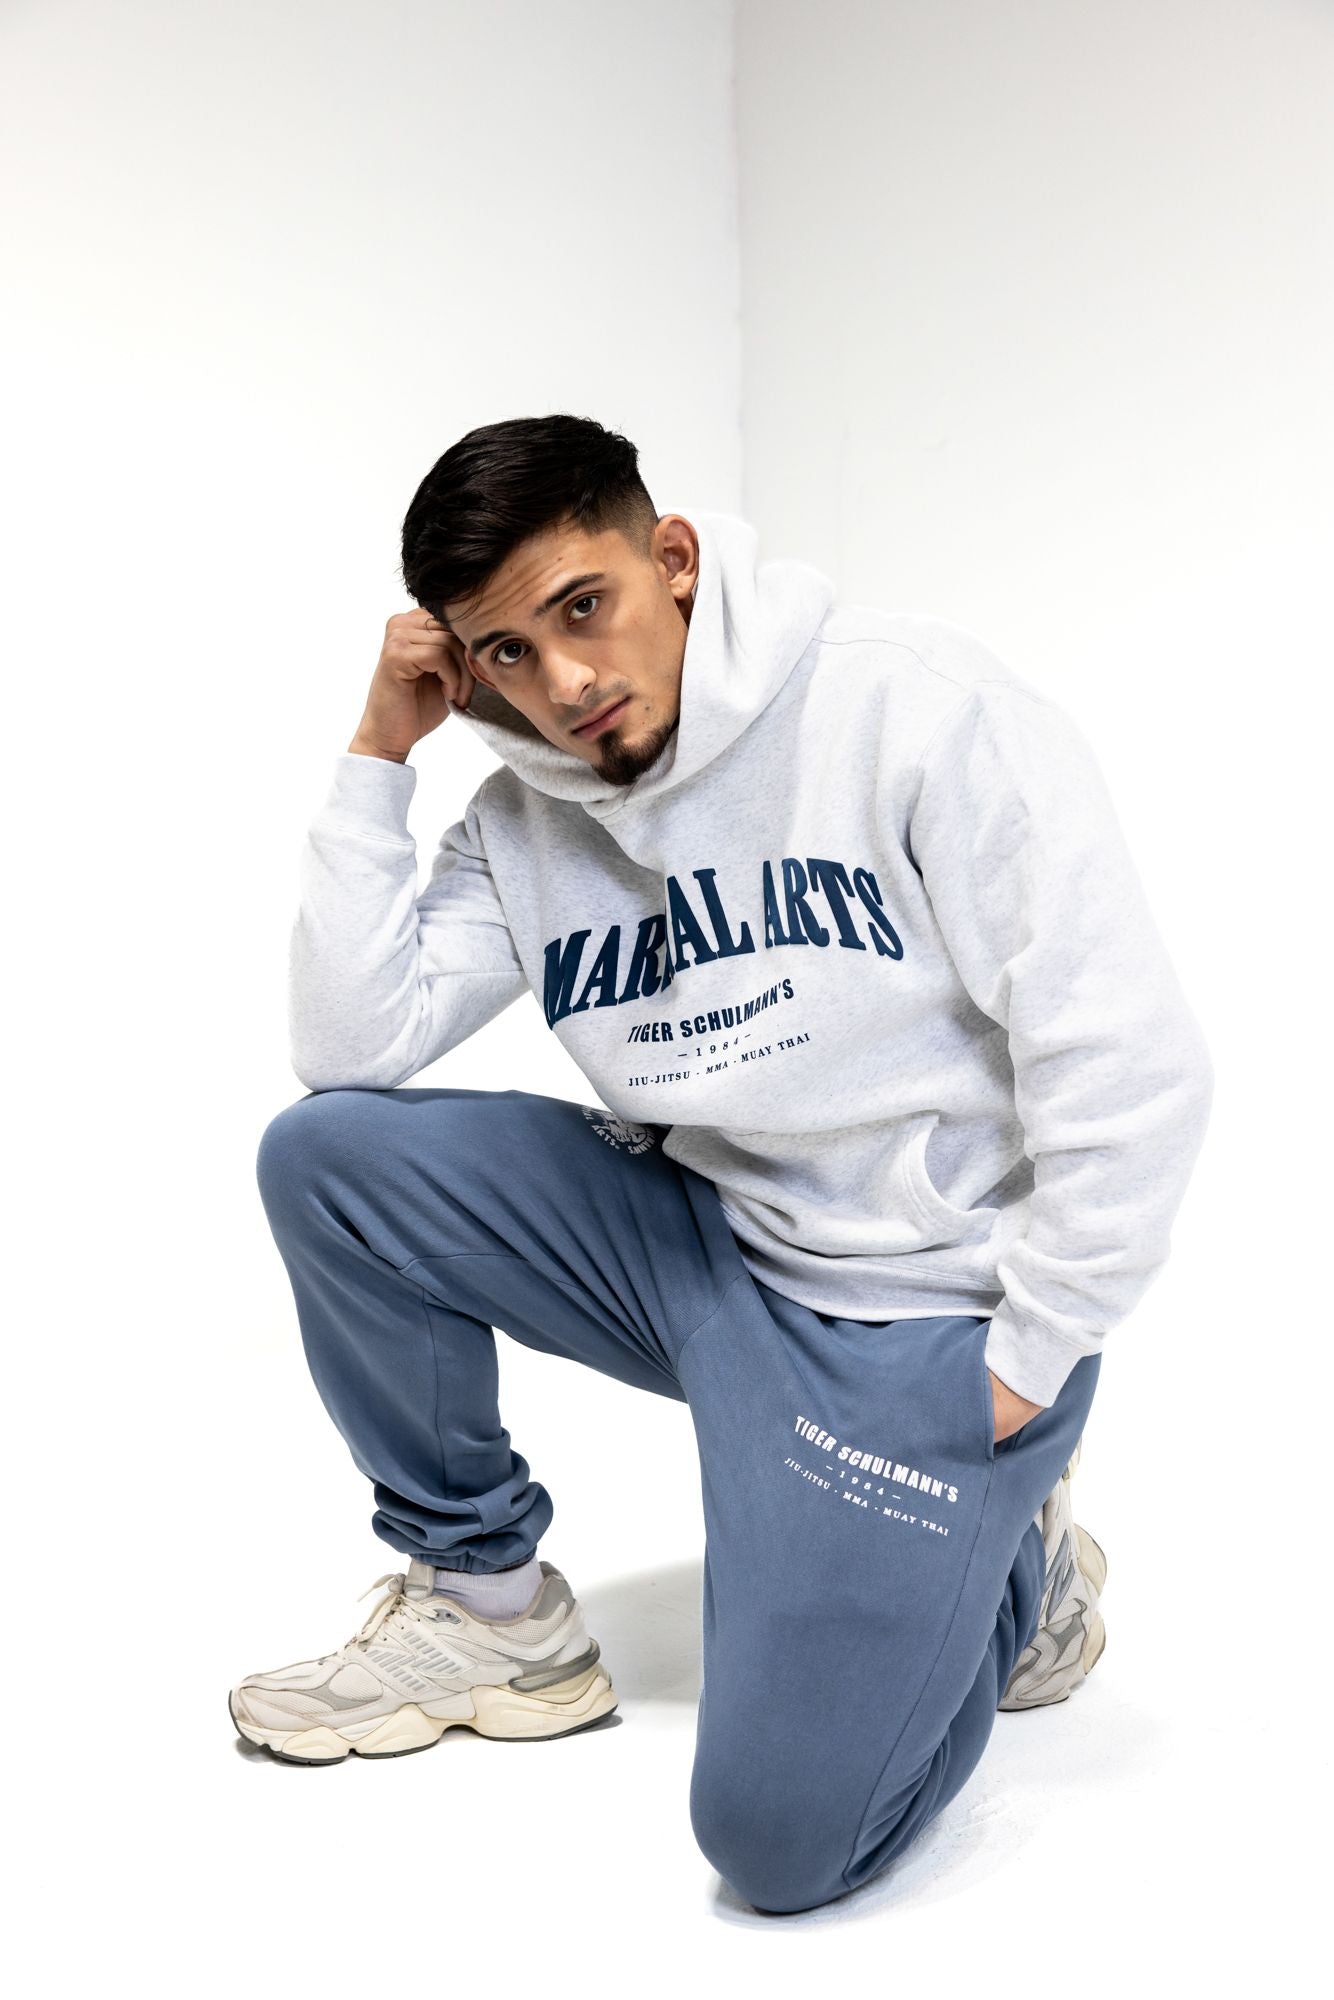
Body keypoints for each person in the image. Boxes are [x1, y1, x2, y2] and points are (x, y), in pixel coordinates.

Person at [233, 413, 1213, 1915]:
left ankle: (1016, 1564)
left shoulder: (916, 711)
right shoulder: (522, 817)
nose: (564, 683)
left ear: (673, 560)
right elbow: (349, 1045)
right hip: (698, 1245)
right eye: (505, 653)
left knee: (780, 1844)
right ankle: (490, 1608)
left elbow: (1128, 1065)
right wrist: (378, 755)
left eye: (584, 607)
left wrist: (1029, 1360)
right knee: (330, 1160)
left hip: (916, 1309)